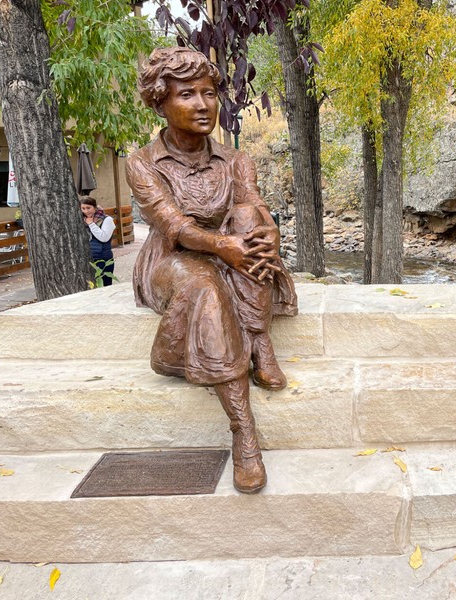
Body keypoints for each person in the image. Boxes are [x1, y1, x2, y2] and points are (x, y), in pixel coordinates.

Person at [126, 47, 297, 493]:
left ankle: (259, 341)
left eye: (209, 93)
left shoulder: (236, 159)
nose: (203, 105)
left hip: (231, 248)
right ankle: (244, 433)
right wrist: (223, 247)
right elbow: (173, 225)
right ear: (160, 102)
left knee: (249, 223)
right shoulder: (142, 163)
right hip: (172, 259)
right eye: (187, 95)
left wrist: (268, 231)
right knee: (206, 285)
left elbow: (252, 204)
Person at [80, 196, 116, 287]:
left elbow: (104, 238)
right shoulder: (82, 220)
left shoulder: (107, 220)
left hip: (103, 258)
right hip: (88, 258)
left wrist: (91, 224)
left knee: (105, 285)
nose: (86, 211)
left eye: (88, 208)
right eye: (83, 208)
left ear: (95, 207)